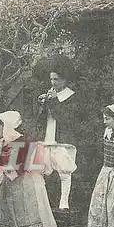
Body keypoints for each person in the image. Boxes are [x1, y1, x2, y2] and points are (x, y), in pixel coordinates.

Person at [0, 111, 62, 227]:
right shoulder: (0, 144)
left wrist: (4, 169)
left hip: (28, 183)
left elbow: (21, 166)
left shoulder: (26, 142)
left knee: (38, 214)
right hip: (11, 184)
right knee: (15, 215)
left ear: (7, 126)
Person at [36, 63, 79, 209]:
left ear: (65, 80)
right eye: (52, 79)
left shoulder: (72, 96)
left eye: (57, 79)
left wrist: (53, 101)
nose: (53, 83)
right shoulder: (50, 95)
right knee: (45, 169)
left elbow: (65, 119)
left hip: (62, 138)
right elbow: (41, 120)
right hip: (48, 135)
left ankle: (64, 203)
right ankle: (45, 202)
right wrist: (42, 104)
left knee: (64, 170)